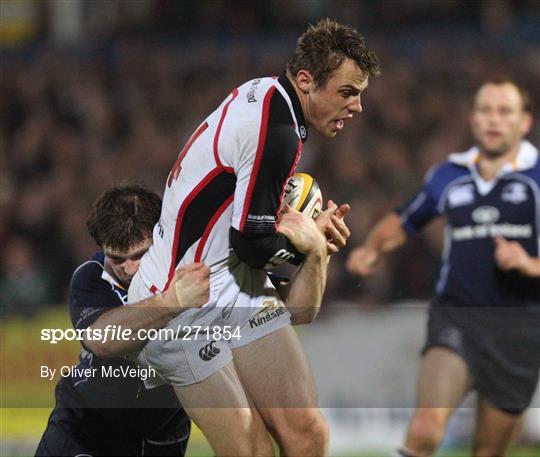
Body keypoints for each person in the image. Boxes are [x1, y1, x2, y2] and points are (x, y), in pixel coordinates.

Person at [128, 18, 375, 456]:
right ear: (305, 80)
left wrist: (303, 238)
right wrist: (308, 245)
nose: (356, 106)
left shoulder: (270, 97)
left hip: (232, 283)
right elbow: (252, 244)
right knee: (252, 451)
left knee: (306, 434)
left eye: (358, 94)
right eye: (346, 92)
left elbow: (249, 239)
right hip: (178, 302)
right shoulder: (276, 131)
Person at [347, 80, 540, 457]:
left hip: (521, 332)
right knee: (424, 432)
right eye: (485, 110)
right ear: (472, 119)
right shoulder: (448, 175)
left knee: (487, 451)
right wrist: (372, 247)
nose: (493, 120)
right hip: (457, 318)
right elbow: (406, 219)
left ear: (525, 122)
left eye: (505, 111)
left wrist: (528, 264)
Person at [36, 185, 210, 456]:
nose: (128, 269)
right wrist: (173, 302)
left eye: (139, 255)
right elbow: (103, 341)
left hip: (162, 431)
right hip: (85, 427)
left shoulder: (194, 270)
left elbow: (288, 310)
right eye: (117, 258)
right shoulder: (90, 277)